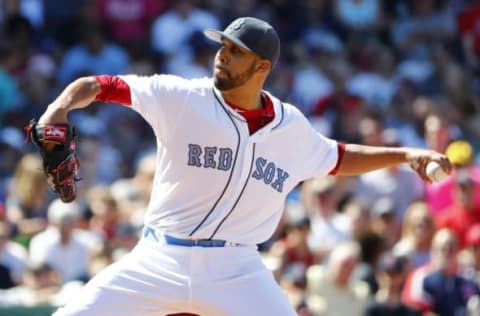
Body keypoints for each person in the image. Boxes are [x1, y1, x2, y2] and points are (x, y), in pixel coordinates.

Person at [35, 16, 451, 316]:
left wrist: (407, 155)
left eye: (237, 52)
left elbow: (338, 158)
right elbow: (100, 85)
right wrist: (58, 108)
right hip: (158, 258)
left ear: (262, 67)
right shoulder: (182, 96)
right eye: (223, 46)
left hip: (237, 270)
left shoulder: (290, 127)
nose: (223, 56)